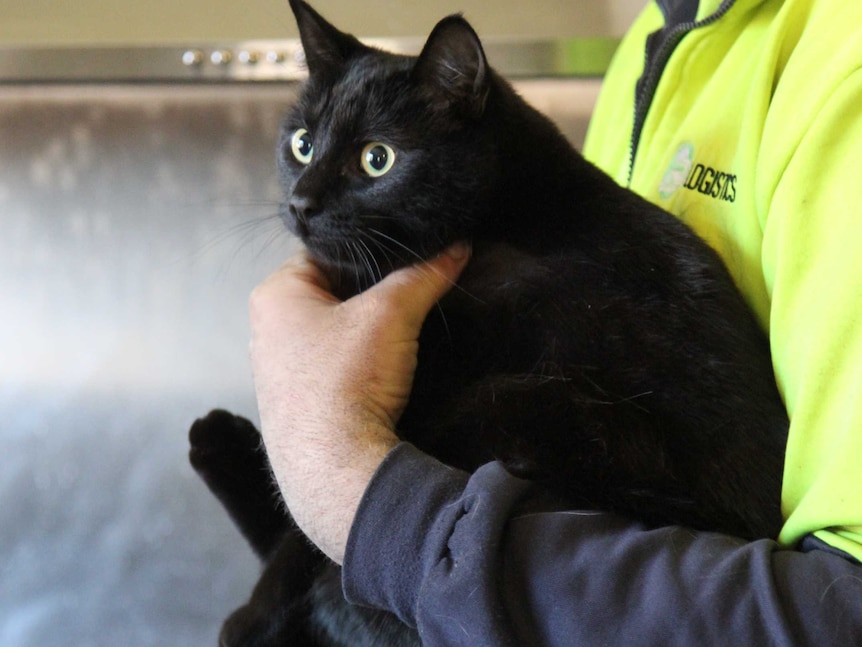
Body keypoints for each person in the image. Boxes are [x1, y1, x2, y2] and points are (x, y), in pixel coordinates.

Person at [250, 0, 862, 643]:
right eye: (303, 146)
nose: (303, 195)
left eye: (373, 160)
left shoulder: (839, 59)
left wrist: (343, 476)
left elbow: (840, 615)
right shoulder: (654, 40)